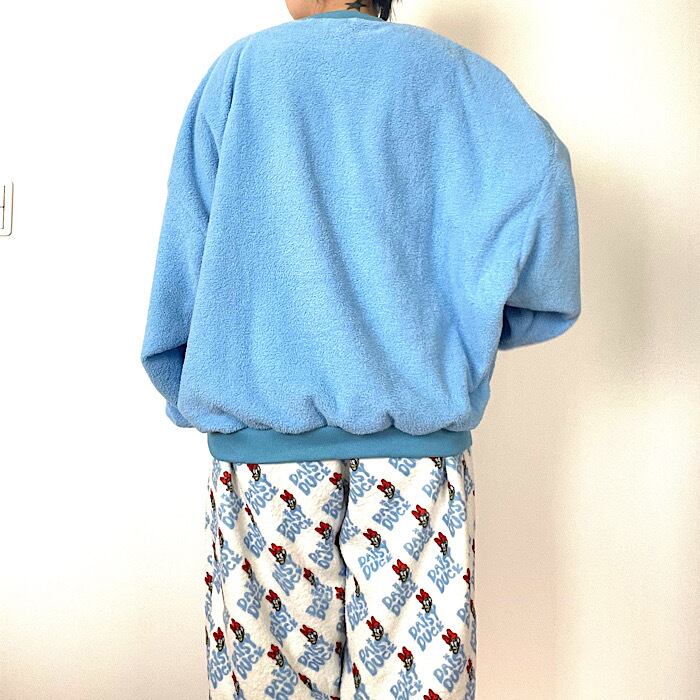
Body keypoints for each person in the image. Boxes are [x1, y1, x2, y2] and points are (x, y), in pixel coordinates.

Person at [139, 1, 582, 697]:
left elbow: (187, 258)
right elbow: (543, 177)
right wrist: (472, 332)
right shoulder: (455, 77)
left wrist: (192, 380)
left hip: (265, 462)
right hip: (415, 461)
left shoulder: (244, 72)